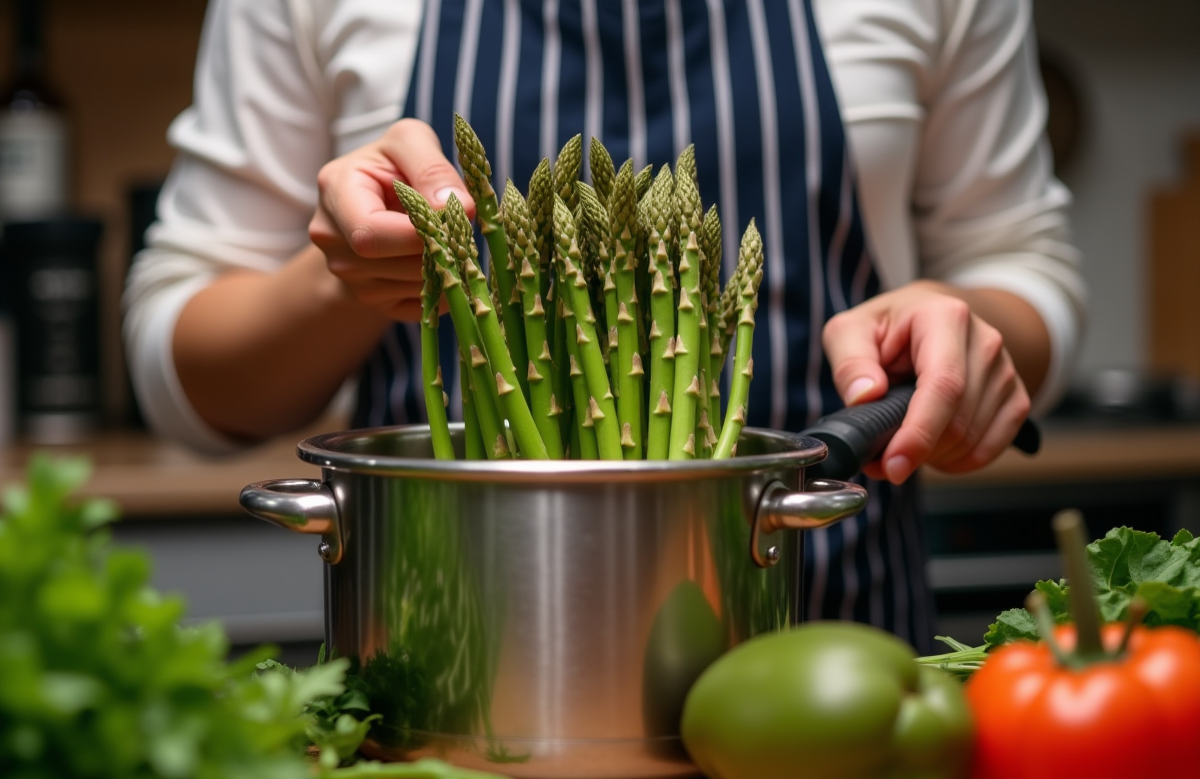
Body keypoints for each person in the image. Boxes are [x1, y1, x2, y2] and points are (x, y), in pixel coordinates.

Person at [123, 0, 1086, 651]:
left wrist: (968, 332)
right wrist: (353, 273)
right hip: (446, 654)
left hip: (830, 657)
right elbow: (184, 375)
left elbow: (1023, 264)